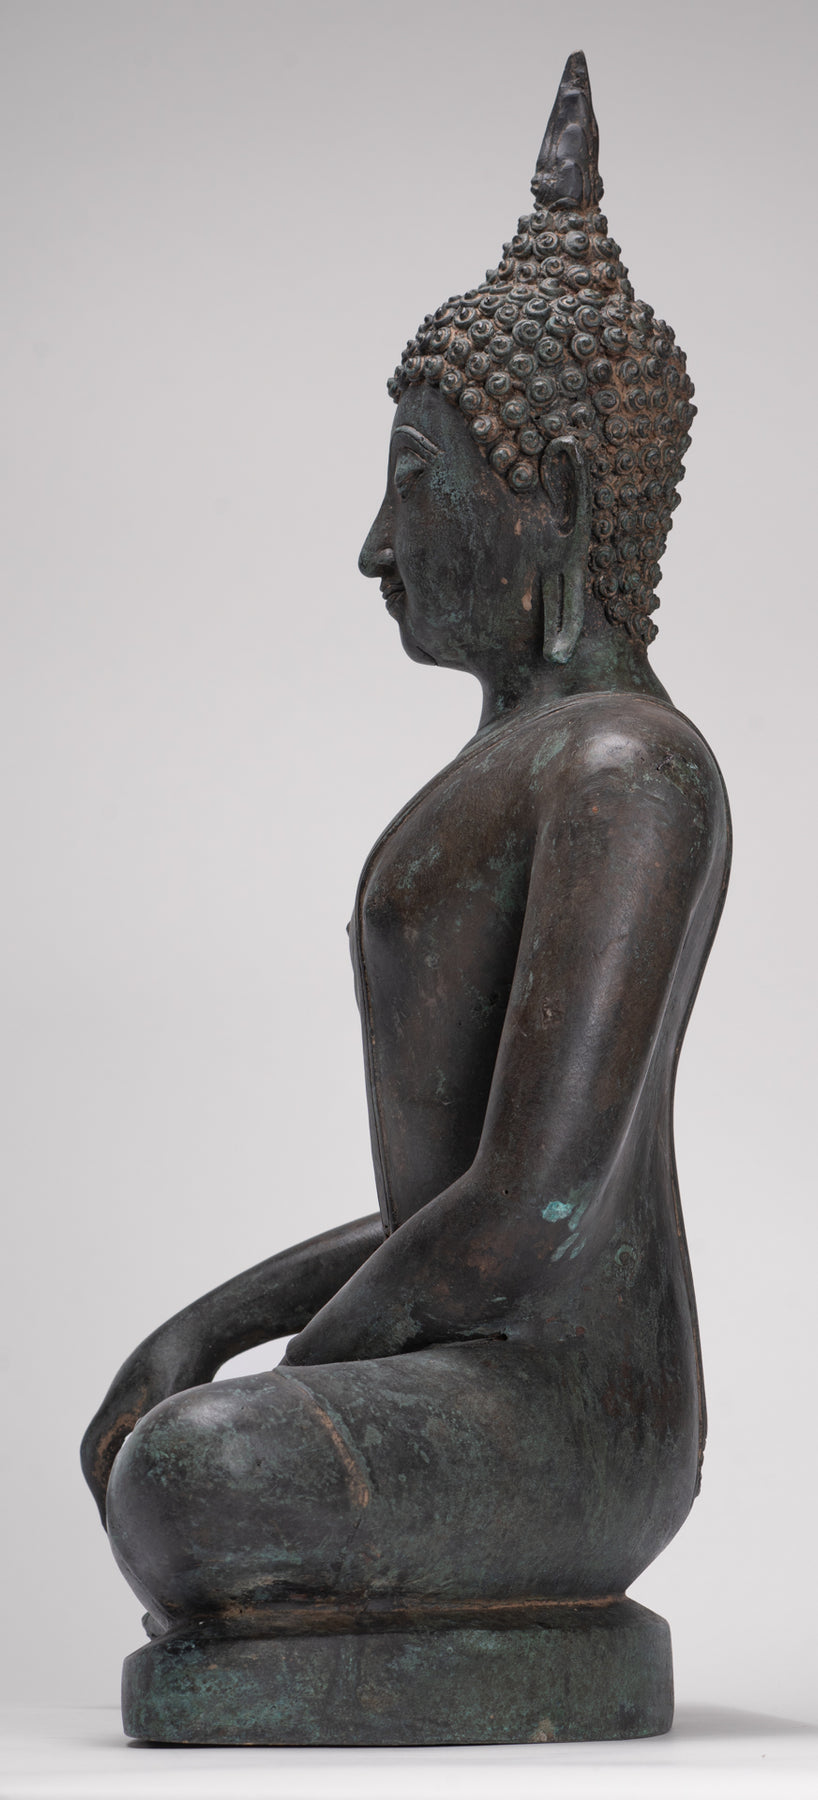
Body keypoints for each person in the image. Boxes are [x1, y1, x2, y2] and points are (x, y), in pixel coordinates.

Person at [81, 51, 730, 1708]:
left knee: (194, 1473)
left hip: (570, 1417)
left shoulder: (626, 769)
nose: (379, 547)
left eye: (420, 488)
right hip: (466, 1358)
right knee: (183, 1443)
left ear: (555, 501)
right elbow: (451, 1207)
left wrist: (288, 1374)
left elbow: (537, 1205)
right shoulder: (529, 765)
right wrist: (208, 1324)